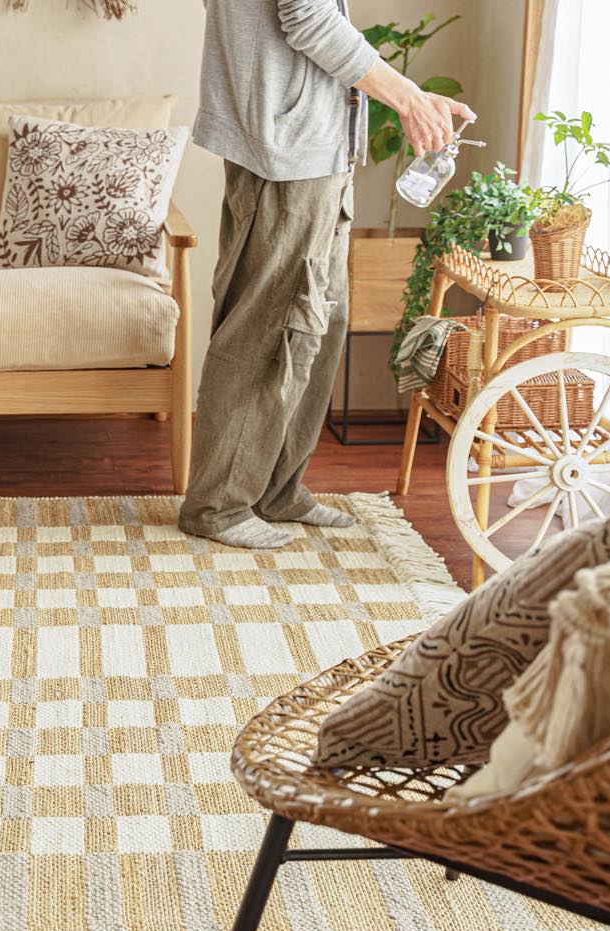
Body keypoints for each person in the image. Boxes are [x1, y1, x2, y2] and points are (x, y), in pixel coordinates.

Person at [179, 0, 474, 549]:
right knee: (269, 329)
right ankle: (218, 505)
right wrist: (408, 99)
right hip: (289, 151)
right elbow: (307, 17)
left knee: (318, 324)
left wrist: (406, 96)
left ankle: (275, 489)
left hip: (315, 146)